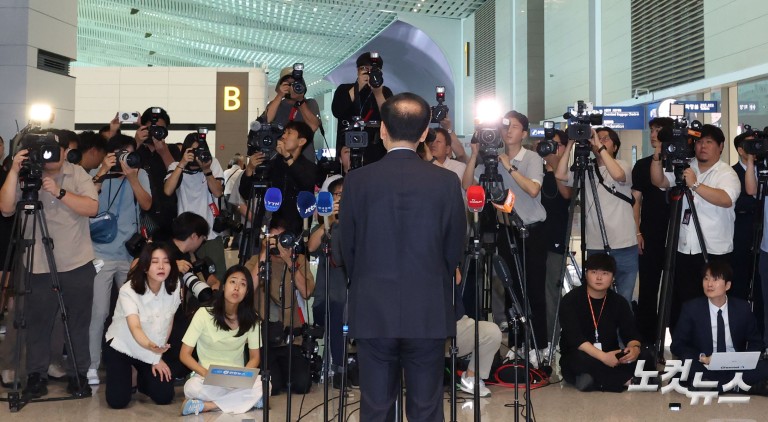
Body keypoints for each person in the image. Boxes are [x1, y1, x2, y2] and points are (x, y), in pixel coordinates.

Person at [340, 92, 466, 421]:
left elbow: (348, 248)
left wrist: (366, 279)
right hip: (427, 309)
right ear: (425, 133)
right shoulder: (446, 182)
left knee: (376, 406)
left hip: (373, 308)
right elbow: (454, 247)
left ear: (382, 129)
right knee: (426, 407)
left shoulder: (357, 181)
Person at [0, 132, 99, 398]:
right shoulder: (27, 173)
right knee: (38, 323)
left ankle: (78, 374)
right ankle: (36, 376)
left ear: (65, 151)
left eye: (54, 150)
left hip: (77, 262)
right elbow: (6, 208)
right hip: (38, 264)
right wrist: (13, 170)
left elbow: (92, 207)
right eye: (42, 150)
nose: (48, 155)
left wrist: (60, 192)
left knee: (78, 323)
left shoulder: (77, 173)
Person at [463, 110, 549, 364]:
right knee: (512, 293)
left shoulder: (531, 157)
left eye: (514, 127)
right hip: (505, 230)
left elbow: (533, 189)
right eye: (505, 127)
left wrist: (509, 166)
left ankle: (538, 346)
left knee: (533, 291)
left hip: (532, 231)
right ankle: (517, 343)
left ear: (524, 133)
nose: (508, 130)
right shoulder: (492, 160)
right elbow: (468, 186)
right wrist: (475, 156)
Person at [650, 124, 740, 329]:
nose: (703, 146)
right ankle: (683, 346)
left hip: (713, 250)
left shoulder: (726, 173)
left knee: (711, 302)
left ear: (721, 146)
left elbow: (726, 199)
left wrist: (696, 185)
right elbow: (660, 181)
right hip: (684, 248)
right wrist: (657, 157)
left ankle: (712, 344)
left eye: (709, 142)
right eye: (699, 142)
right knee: (684, 302)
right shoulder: (687, 166)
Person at [87, 134, 153, 385]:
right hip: (100, 253)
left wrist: (133, 178)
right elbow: (89, 202)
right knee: (99, 312)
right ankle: (92, 364)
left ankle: (137, 365)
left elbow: (147, 204)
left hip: (129, 255)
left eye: (131, 154)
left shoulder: (139, 173)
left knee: (133, 312)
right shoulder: (96, 172)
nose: (128, 159)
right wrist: (103, 171)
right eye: (123, 154)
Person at [556, 127, 638, 305]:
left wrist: (599, 147)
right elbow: (560, 174)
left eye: (605, 139)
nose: (599, 141)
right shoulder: (586, 168)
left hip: (624, 244)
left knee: (623, 300)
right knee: (597, 301)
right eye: (596, 138)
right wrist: (571, 143)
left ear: (615, 147)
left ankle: (622, 334)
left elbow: (618, 175)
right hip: (595, 244)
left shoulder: (623, 165)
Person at [671, 260, 768, 394]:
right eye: (706, 279)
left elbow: (756, 343)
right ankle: (739, 386)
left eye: (715, 279)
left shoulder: (742, 308)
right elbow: (677, 345)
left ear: (727, 285)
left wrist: (743, 359)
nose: (709, 284)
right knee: (686, 364)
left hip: (735, 365)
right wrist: (702, 357)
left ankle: (713, 386)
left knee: (764, 367)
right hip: (705, 364)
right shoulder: (691, 308)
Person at [180, 265, 266, 415]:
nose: (237, 288)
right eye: (233, 282)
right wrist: (204, 372)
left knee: (265, 384)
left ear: (247, 293)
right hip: (207, 378)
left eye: (243, 284)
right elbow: (184, 354)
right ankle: (244, 401)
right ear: (223, 285)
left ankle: (207, 406)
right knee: (191, 387)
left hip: (236, 380)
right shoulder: (203, 314)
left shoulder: (253, 319)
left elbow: (255, 357)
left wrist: (244, 377)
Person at [103, 243, 180, 408]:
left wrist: (157, 356)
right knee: (118, 402)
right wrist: (152, 348)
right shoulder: (128, 291)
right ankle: (126, 373)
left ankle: (141, 379)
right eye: (155, 262)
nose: (161, 266)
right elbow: (135, 328)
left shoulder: (174, 285)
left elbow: (169, 321)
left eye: (166, 261)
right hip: (122, 346)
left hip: (150, 348)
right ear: (145, 267)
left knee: (164, 396)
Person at [247, 216, 316, 395]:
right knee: (272, 387)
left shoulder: (298, 259)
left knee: (302, 385)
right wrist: (263, 253)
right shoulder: (256, 260)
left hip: (290, 338)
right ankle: (279, 376)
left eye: (281, 238)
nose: (277, 244)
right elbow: (247, 289)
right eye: (273, 239)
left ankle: (287, 375)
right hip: (265, 337)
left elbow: (307, 292)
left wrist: (290, 262)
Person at [559, 253, 642, 392]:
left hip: (611, 356)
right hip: (581, 355)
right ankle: (627, 380)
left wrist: (634, 349)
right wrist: (603, 358)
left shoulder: (619, 302)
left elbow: (631, 333)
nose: (598, 277)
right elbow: (575, 339)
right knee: (578, 360)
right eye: (593, 272)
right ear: (586, 274)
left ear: (613, 277)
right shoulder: (570, 300)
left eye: (605, 273)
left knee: (646, 355)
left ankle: (592, 381)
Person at [631, 117, 674, 343]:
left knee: (677, 288)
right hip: (650, 233)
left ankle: (676, 336)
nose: (654, 134)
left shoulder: (681, 163)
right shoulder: (642, 165)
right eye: (652, 130)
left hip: (679, 234)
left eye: (659, 130)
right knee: (648, 288)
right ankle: (648, 339)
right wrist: (637, 232)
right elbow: (635, 200)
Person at [237, 120, 318, 238]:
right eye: (284, 132)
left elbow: (306, 183)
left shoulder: (309, 167)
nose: (283, 136)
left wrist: (287, 156)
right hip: (268, 228)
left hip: (296, 230)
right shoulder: (272, 165)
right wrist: (249, 169)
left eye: (289, 133)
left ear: (301, 141)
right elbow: (245, 193)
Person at [164, 132, 226, 281]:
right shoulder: (176, 166)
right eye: (193, 151)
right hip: (186, 236)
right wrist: (182, 164)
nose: (197, 155)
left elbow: (218, 192)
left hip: (210, 234)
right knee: (189, 278)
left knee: (216, 278)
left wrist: (206, 170)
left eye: (200, 151)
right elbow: (167, 190)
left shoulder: (212, 163)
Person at [308, 177, 347, 388]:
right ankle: (340, 369)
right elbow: (311, 246)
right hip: (327, 297)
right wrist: (329, 221)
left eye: (344, 194)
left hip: (353, 295)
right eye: (337, 195)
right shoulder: (324, 224)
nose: (341, 198)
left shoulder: (358, 221)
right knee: (336, 309)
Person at [535, 129, 572, 342]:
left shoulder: (566, 172)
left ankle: (551, 339)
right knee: (536, 291)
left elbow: (567, 194)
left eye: (555, 144)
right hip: (534, 238)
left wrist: (556, 163)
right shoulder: (535, 170)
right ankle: (536, 337)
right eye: (546, 144)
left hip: (556, 238)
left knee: (551, 291)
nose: (549, 148)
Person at [331, 52, 394, 165]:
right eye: (364, 68)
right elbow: (337, 111)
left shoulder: (385, 91)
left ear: (380, 73)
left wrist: (378, 93)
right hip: (349, 146)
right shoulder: (344, 89)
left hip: (376, 149)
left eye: (373, 69)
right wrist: (358, 86)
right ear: (357, 71)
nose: (369, 72)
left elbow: (390, 118)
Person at [135, 106, 179, 239]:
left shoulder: (172, 150)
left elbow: (178, 179)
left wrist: (164, 152)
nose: (155, 132)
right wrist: (136, 143)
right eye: (151, 128)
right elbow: (123, 170)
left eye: (160, 128)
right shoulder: (136, 151)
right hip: (141, 218)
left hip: (169, 217)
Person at [262, 66, 322, 163]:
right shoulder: (276, 105)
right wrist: (280, 95)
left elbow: (313, 127)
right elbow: (266, 120)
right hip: (279, 160)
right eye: (288, 84)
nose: (292, 87)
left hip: (305, 161)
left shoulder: (310, 103)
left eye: (295, 84)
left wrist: (300, 101)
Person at [732, 131, 760, 301]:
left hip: (762, 237)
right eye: (751, 145)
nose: (755, 148)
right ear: (741, 150)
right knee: (739, 284)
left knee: (760, 286)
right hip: (740, 236)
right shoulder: (731, 172)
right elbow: (734, 202)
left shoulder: (763, 171)